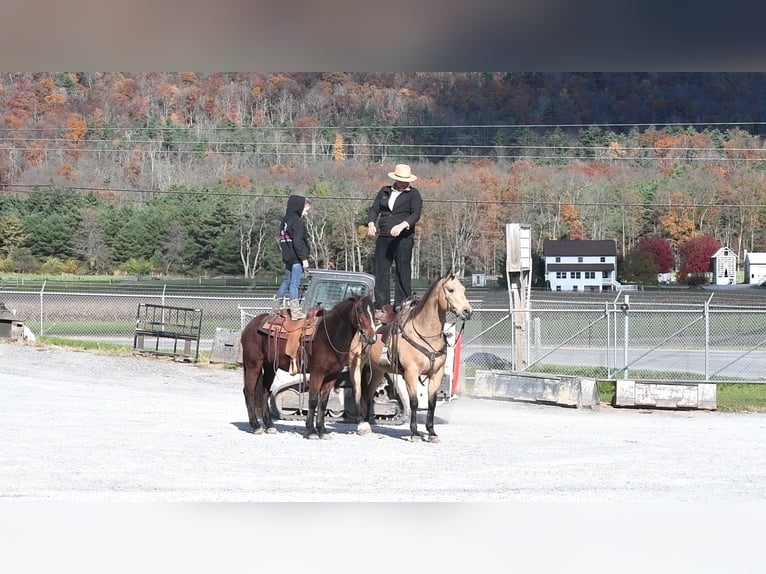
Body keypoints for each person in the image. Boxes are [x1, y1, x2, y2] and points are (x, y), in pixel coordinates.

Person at [367, 163, 422, 315]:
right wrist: (371, 223)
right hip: (384, 235)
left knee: (402, 269)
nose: (403, 183)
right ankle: (381, 303)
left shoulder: (413, 194)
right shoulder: (384, 191)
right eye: (400, 180)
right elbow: (374, 209)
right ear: (395, 179)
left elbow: (415, 214)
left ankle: (402, 303)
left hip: (403, 237)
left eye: (405, 180)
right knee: (381, 269)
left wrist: (403, 225)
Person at [273, 194, 311, 319]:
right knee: (295, 283)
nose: (306, 213)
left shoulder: (284, 220)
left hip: (287, 257)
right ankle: (295, 311)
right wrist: (304, 258)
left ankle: (275, 308)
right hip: (296, 259)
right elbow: (297, 241)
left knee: (286, 281)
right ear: (299, 207)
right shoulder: (297, 222)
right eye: (305, 210)